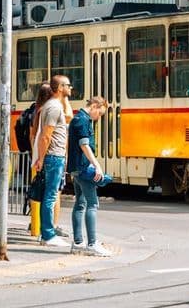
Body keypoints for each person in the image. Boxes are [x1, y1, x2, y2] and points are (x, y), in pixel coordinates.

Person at [68, 96, 111, 257]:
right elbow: (84, 145)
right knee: (92, 204)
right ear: (94, 106)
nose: (99, 117)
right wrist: (97, 165)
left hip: (76, 168)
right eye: (99, 113)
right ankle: (92, 243)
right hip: (84, 168)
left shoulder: (77, 119)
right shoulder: (83, 120)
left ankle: (78, 242)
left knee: (80, 204)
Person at [33, 75, 72, 248]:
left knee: (49, 195)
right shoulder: (54, 108)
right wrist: (41, 159)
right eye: (68, 85)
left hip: (54, 156)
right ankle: (48, 234)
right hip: (54, 156)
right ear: (61, 87)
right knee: (50, 196)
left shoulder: (53, 106)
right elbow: (45, 136)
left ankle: (46, 233)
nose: (71, 88)